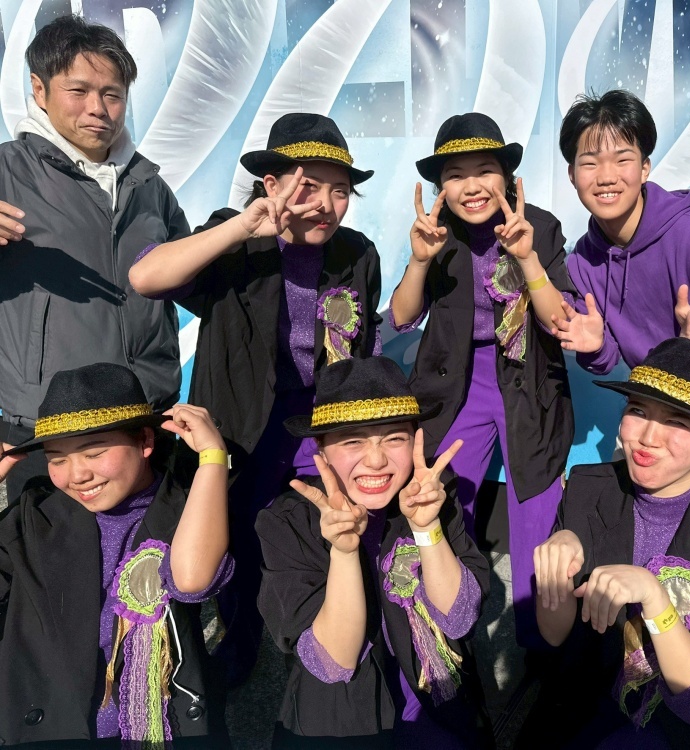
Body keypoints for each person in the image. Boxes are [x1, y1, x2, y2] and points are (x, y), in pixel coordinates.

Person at [130, 112, 382, 683]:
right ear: (272, 184)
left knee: (328, 527)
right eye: (309, 186)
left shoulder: (357, 253)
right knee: (236, 537)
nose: (325, 205)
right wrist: (242, 228)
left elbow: (360, 347)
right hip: (241, 425)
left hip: (318, 424)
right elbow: (146, 278)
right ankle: (239, 644)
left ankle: (327, 641)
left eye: (340, 190)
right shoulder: (235, 239)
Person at [522, 338, 690, 748]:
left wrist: (655, 598)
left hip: (687, 728)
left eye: (677, 422)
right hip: (595, 701)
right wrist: (556, 571)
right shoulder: (587, 488)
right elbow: (555, 636)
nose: (647, 437)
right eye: (638, 411)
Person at [388, 112, 575, 649]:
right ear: (440, 188)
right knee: (445, 503)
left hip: (528, 383)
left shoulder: (540, 225)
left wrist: (528, 257)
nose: (471, 186)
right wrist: (420, 261)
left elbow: (559, 320)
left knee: (535, 519)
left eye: (485, 170)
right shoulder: (436, 235)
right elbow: (401, 316)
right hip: (458, 387)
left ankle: (539, 652)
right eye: (455, 175)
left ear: (507, 178)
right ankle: (449, 640)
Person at [256, 356, 492, 748]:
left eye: (394, 438)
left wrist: (426, 527)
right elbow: (334, 663)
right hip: (343, 723)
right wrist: (344, 553)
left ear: (415, 439)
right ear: (321, 448)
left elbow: (459, 618)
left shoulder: (433, 494)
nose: (377, 460)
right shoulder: (287, 521)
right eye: (353, 441)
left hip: (437, 704)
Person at [0, 15, 190, 500]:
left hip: (147, 421)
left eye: (112, 94)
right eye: (78, 91)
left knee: (155, 549)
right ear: (39, 90)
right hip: (47, 433)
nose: (98, 109)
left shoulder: (150, 186)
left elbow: (193, 281)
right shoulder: (6, 171)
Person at [0, 362, 233, 747]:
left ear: (145, 440)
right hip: (52, 732)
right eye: (57, 459)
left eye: (93, 452)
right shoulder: (35, 516)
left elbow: (192, 580)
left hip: (162, 727)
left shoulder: (187, 510)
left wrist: (212, 456)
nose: (77, 475)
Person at [551, 89, 690, 489]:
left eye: (622, 160)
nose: (606, 177)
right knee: (625, 514)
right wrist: (595, 348)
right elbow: (607, 357)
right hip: (648, 416)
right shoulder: (581, 262)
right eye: (590, 162)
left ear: (645, 167)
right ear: (572, 174)